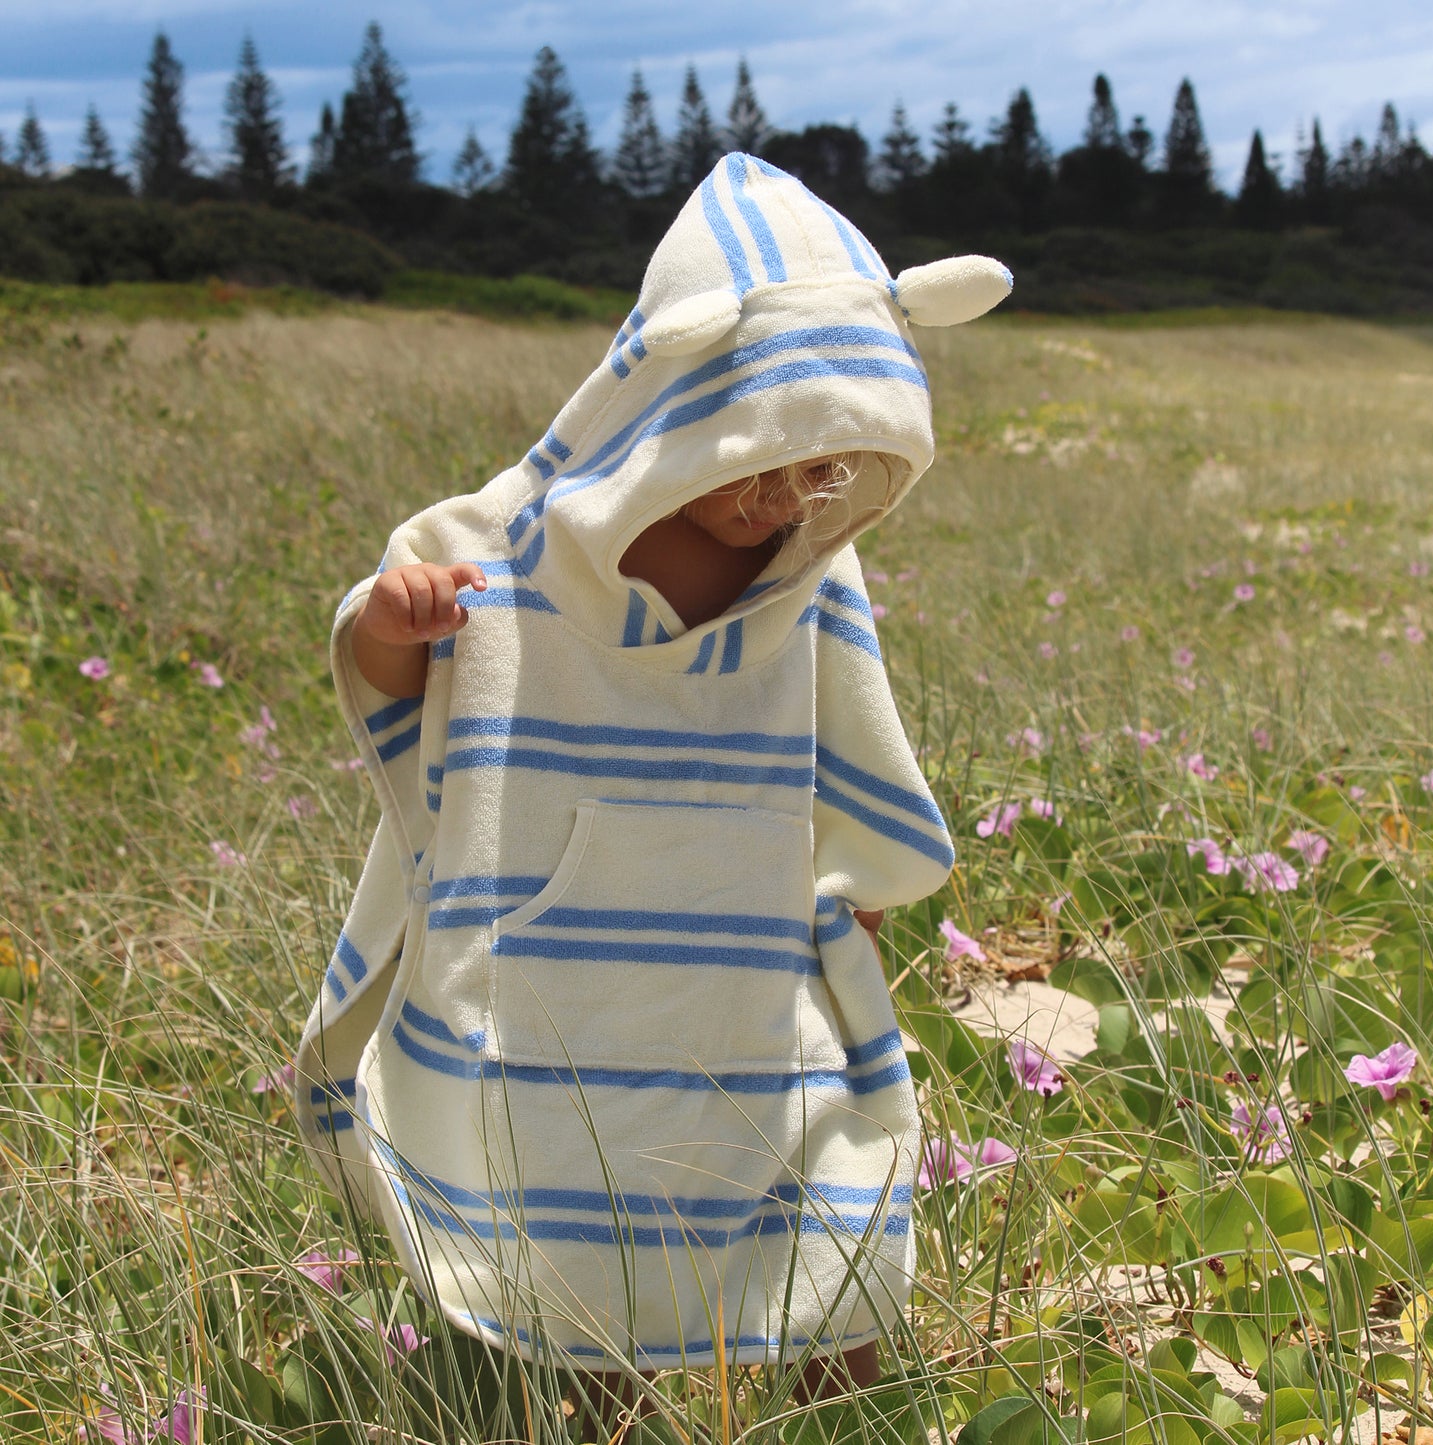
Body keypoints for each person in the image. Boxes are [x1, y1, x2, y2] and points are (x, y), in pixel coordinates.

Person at [295, 152, 1011, 1429]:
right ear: (671, 399)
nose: (783, 500)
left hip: (746, 964)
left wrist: (857, 876)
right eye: (759, 462)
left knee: (829, 1205)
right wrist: (397, 623)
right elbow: (398, 681)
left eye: (826, 471)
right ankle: (600, 1404)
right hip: (555, 978)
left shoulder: (809, 580)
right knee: (573, 1226)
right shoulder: (512, 554)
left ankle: (832, 1408)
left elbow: (853, 734)